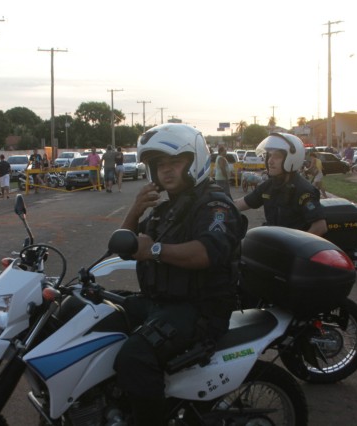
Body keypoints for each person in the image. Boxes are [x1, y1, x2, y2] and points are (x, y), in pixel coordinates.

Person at [114, 123, 245, 425]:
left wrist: (154, 251)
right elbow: (124, 244)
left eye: (175, 163)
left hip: (199, 310)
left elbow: (207, 252)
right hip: (162, 304)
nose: (166, 171)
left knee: (134, 357)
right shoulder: (166, 210)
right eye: (160, 165)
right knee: (98, 314)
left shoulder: (214, 205)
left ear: (194, 161)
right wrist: (135, 210)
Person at [233, 133, 328, 236]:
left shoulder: (303, 190)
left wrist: (294, 248)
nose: (270, 161)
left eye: (277, 156)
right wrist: (217, 202)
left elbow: (320, 227)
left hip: (292, 247)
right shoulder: (269, 186)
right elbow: (240, 204)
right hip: (274, 243)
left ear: (293, 158)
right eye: (269, 156)